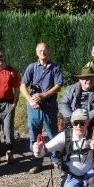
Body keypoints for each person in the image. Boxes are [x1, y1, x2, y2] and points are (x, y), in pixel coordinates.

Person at [33, 109, 94, 187]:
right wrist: (37, 150)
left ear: (87, 122)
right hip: (71, 175)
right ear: (72, 123)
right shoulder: (64, 136)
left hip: (89, 173)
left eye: (82, 123)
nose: (79, 126)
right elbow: (43, 152)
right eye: (76, 123)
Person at [20, 42, 64, 174]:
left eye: (45, 50)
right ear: (36, 52)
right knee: (34, 134)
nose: (42, 53)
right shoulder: (31, 67)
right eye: (40, 51)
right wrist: (30, 99)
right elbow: (22, 85)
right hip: (34, 107)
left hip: (49, 106)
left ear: (49, 52)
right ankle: (37, 161)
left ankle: (55, 159)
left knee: (52, 134)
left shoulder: (55, 67)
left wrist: (43, 95)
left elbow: (58, 86)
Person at [59, 67, 94, 133]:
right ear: (80, 80)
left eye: (91, 78)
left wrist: (86, 117)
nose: (89, 80)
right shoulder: (71, 89)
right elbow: (63, 104)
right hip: (72, 118)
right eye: (86, 78)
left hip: (91, 119)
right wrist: (72, 117)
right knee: (66, 133)